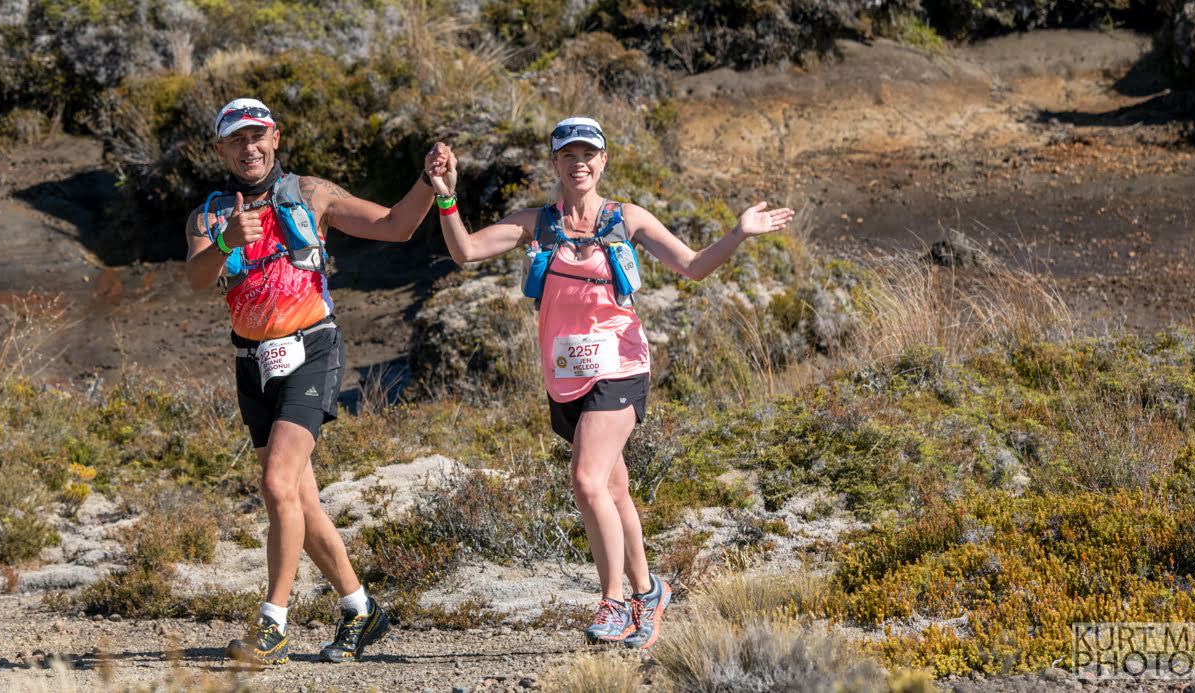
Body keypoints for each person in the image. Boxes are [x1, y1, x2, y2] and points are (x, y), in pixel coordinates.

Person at [423, 117, 794, 650]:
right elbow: (466, 252)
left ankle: (613, 601)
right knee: (614, 491)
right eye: (568, 155)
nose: (579, 163)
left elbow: (692, 266)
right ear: (554, 163)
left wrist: (738, 232)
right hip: (565, 374)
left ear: (603, 162)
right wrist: (445, 199)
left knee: (587, 481)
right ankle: (649, 591)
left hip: (620, 366)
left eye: (588, 154)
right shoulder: (539, 222)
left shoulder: (627, 218)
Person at [185, 97, 438, 667]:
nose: (249, 148)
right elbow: (195, 278)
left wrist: (428, 182)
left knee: (277, 485)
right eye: (236, 140)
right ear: (220, 149)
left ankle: (272, 627)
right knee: (300, 496)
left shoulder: (312, 194)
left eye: (258, 136)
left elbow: (396, 227)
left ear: (275, 139)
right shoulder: (208, 215)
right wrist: (227, 239)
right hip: (252, 362)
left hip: (311, 349)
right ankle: (360, 609)